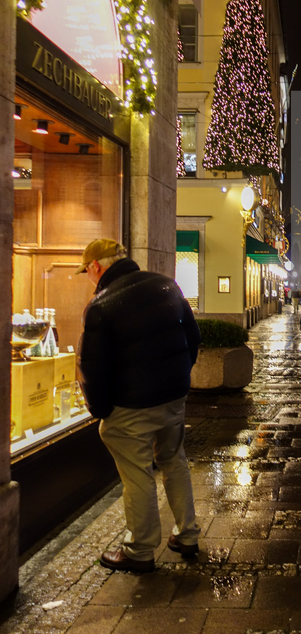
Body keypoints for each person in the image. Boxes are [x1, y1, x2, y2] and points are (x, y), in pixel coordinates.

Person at [77, 238, 201, 572]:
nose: (88, 277)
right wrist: (179, 378)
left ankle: (140, 549)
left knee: (137, 472)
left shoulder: (101, 305)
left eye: (87, 271)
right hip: (173, 397)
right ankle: (187, 534)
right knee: (174, 460)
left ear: (96, 267)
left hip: (131, 405)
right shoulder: (166, 285)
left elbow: (92, 367)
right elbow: (193, 337)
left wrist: (101, 410)